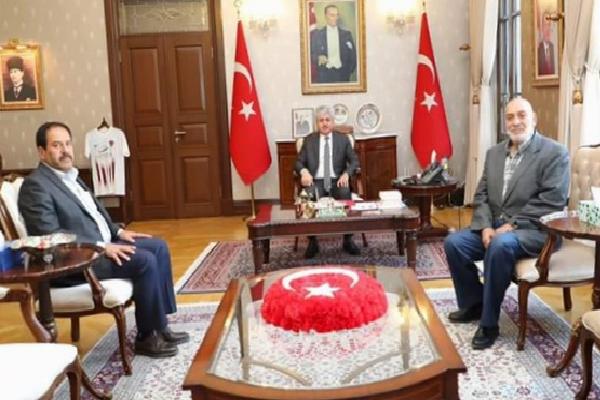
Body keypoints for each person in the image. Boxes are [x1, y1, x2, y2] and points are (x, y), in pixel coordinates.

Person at [18, 121, 189, 358]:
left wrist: (117, 233)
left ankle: (160, 325)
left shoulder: (70, 176)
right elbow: (52, 237)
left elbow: (95, 213)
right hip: (74, 261)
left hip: (99, 246)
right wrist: (101, 247)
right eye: (56, 145)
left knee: (158, 247)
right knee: (145, 261)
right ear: (42, 151)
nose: (65, 150)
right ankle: (147, 337)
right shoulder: (36, 186)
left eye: (67, 143)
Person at [444, 97, 569, 350]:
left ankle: (489, 323)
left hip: (536, 230)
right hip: (496, 228)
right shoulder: (494, 154)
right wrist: (485, 226)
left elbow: (551, 201)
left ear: (534, 119)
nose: (516, 122)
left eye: (522, 115)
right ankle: (474, 304)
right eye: (510, 117)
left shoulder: (555, 153)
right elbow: (481, 195)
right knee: (454, 243)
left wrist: (511, 225)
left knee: (500, 245)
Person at [295, 106, 360, 258]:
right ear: (317, 123)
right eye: (321, 120)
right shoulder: (309, 140)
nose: (324, 123)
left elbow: (354, 161)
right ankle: (312, 241)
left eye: (327, 120)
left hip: (337, 181)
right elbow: (298, 162)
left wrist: (346, 174)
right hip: (316, 181)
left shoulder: (342, 139)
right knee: (307, 196)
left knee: (345, 192)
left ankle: (348, 239)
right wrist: (304, 172)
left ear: (333, 122)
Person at [310, 4, 357, 83]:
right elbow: (311, 55)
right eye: (332, 15)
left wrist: (347, 72)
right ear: (326, 16)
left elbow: (353, 56)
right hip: (324, 76)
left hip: (343, 76)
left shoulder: (347, 35)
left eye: (337, 15)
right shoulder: (317, 35)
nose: (335, 18)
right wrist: (318, 58)